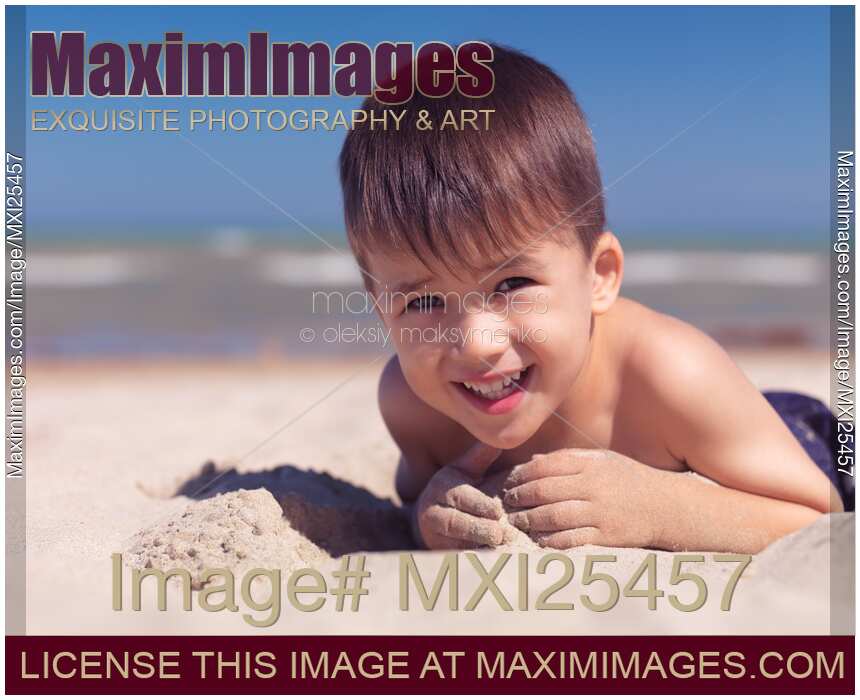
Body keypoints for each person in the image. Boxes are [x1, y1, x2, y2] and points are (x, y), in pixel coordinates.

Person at [338, 44, 847, 553]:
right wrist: (427, 517)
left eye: (512, 285)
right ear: (381, 305)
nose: (475, 343)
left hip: (776, 439)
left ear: (600, 275)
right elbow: (411, 504)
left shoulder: (668, 371)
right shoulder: (413, 406)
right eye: (423, 303)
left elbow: (820, 513)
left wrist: (660, 508)